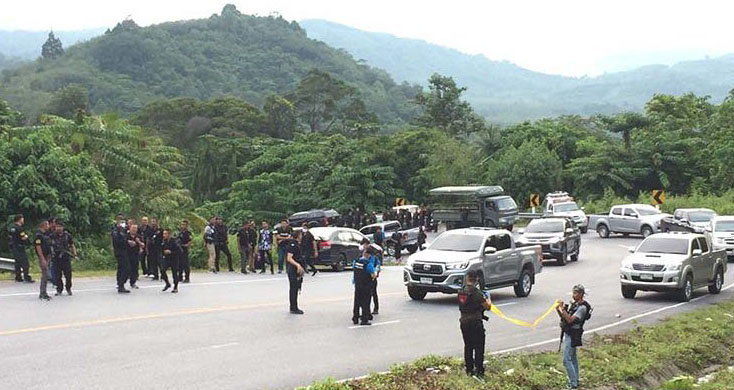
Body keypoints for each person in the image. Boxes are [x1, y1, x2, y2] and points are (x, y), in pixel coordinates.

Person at [556, 285, 592, 390]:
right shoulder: (575, 305)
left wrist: (563, 309)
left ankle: (572, 383)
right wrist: (559, 310)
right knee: (573, 358)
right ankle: (575, 380)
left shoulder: (582, 308)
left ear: (581, 294)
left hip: (573, 334)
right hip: (568, 332)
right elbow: (564, 317)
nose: (573, 295)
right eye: (573, 292)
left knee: (566, 359)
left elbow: (570, 320)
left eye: (576, 293)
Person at [458, 270, 492, 378]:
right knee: (478, 347)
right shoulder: (477, 293)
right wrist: (488, 298)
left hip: (463, 322)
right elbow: (487, 306)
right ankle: (479, 371)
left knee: (468, 346)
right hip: (475, 322)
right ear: (476, 279)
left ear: (467, 278)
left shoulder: (461, 291)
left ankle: (469, 370)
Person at [352, 246, 378, 326]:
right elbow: (373, 275)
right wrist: (375, 274)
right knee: (365, 303)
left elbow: (355, 271)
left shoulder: (356, 262)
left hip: (357, 284)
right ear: (368, 255)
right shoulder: (368, 264)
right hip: (366, 285)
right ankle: (364, 319)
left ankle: (355, 318)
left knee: (357, 302)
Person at [51, 221, 76, 296]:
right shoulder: (52, 235)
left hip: (66, 257)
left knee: (68, 275)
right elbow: (49, 245)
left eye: (60, 226)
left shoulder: (67, 235)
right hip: (56, 257)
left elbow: (72, 245)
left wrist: (74, 254)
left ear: (63, 227)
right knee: (57, 275)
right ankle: (59, 289)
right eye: (57, 226)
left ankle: (68, 288)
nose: (58, 228)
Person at [285, 230, 306, 314]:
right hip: (292, 269)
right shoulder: (292, 244)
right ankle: (293, 307)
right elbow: (289, 258)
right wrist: (298, 265)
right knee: (293, 288)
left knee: (296, 287)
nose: (302, 236)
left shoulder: (297, 244)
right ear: (298, 235)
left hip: (297, 269)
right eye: (300, 234)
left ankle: (294, 306)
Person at [8, 214, 33, 283]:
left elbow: (10, 237)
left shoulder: (11, 228)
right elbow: (23, 237)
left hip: (13, 247)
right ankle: (26, 277)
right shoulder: (20, 228)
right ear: (20, 219)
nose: (23, 220)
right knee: (25, 263)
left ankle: (18, 277)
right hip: (20, 247)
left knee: (18, 263)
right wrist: (27, 238)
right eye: (22, 219)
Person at [34, 220, 53, 300]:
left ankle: (44, 292)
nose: (48, 226)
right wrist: (42, 258)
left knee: (45, 275)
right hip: (43, 257)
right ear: (43, 225)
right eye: (47, 224)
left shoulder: (45, 234)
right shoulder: (38, 235)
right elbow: (38, 247)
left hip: (47, 257)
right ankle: (43, 293)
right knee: (45, 275)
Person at [160, 229, 182, 293]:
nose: (164, 235)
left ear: (169, 234)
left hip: (174, 259)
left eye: (165, 234)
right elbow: (161, 249)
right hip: (167, 259)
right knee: (162, 270)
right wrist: (163, 253)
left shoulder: (174, 241)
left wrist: (171, 252)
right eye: (163, 234)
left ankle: (175, 287)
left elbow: (180, 251)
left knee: (174, 273)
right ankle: (167, 283)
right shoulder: (164, 241)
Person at [112, 223, 131, 293]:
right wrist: (127, 241)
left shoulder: (121, 233)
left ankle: (120, 283)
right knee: (126, 268)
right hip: (120, 253)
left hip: (123, 253)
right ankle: (121, 284)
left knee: (121, 268)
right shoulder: (116, 234)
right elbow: (120, 242)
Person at [126, 224, 145, 289]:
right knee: (127, 268)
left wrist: (138, 242)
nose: (134, 229)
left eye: (135, 228)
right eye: (133, 228)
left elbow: (143, 245)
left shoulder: (138, 236)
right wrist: (128, 242)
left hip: (135, 254)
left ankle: (133, 283)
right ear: (130, 228)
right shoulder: (126, 236)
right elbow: (122, 243)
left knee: (134, 269)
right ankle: (121, 283)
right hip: (127, 254)